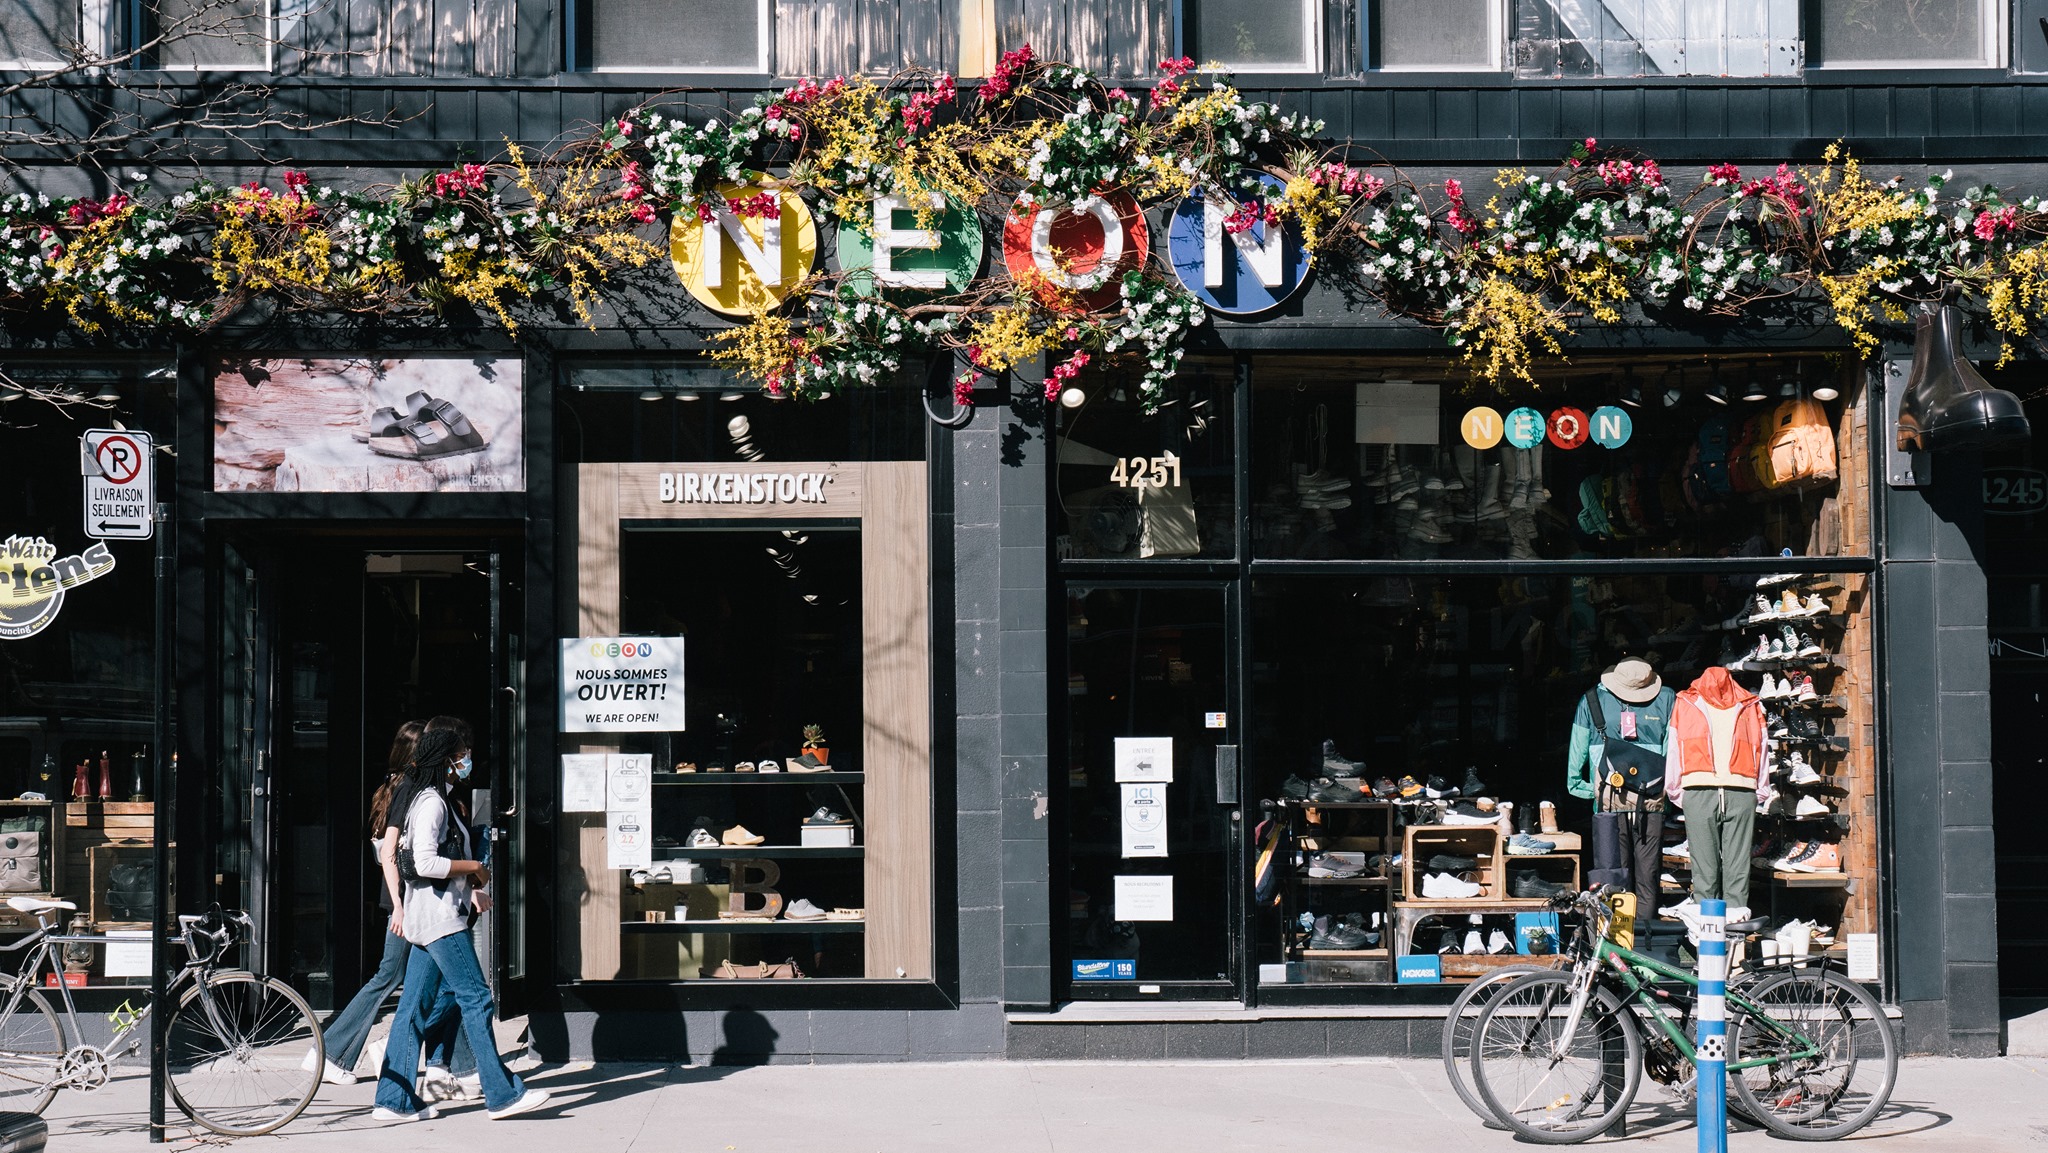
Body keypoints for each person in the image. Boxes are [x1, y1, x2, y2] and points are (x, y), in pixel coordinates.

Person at [372, 727, 548, 1122]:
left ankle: (392, 1100)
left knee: (412, 1009)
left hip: (425, 916)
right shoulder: (433, 802)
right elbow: (424, 863)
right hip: (440, 919)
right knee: (477, 998)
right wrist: (475, 868)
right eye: (463, 753)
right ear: (446, 759)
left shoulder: (427, 799)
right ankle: (502, 1095)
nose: (467, 760)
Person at [312, 721, 464, 1086]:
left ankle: (440, 1062)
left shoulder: (395, 789)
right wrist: (399, 905)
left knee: (421, 979)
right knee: (404, 976)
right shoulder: (408, 791)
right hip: (409, 899)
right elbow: (390, 853)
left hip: (405, 898)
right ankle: (339, 1051)